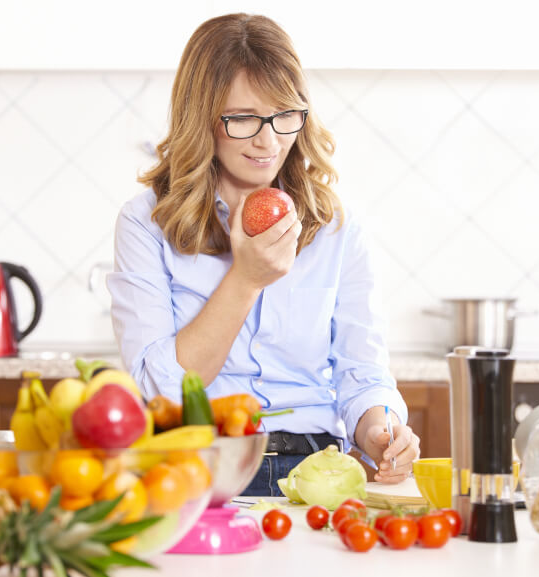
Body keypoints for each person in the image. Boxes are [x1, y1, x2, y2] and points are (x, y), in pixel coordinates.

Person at [107, 13, 420, 495]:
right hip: (199, 468)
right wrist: (246, 279)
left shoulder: (335, 226)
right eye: (244, 119)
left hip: (317, 471)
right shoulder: (147, 222)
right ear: (202, 117)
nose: (268, 141)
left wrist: (380, 430)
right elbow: (159, 390)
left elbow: (362, 371)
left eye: (284, 116)